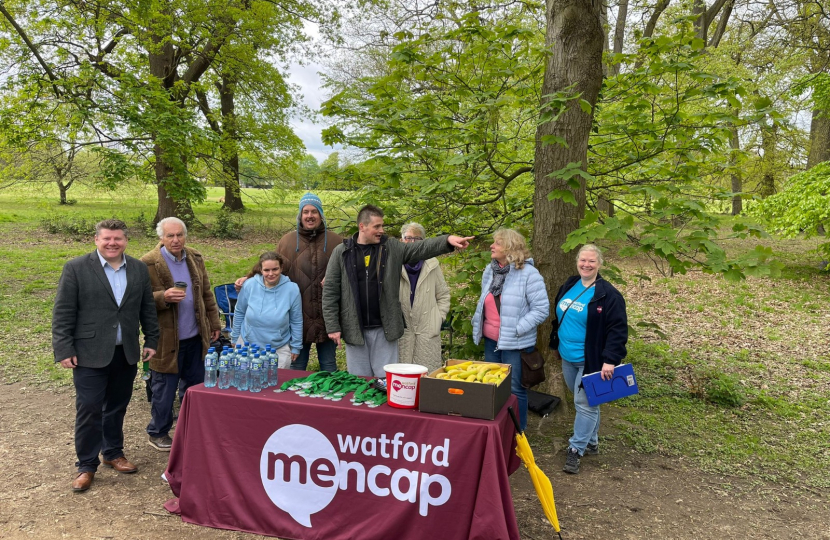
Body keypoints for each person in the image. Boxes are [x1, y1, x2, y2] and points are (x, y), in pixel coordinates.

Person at [52, 219, 159, 493]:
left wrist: (152, 339)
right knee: (88, 408)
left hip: (126, 353)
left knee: (116, 406)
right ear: (96, 240)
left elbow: (147, 307)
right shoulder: (76, 268)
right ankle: (86, 465)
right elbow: (63, 312)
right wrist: (64, 348)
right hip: (88, 353)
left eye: (118, 239)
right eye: (107, 239)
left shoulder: (137, 268)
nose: (112, 243)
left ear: (126, 240)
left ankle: (112, 452)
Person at [323, 204, 473, 377]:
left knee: (386, 381)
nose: (382, 230)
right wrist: (333, 326)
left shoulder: (391, 248)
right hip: (355, 330)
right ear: (362, 226)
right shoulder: (342, 252)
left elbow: (420, 248)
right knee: (359, 381)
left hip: (384, 330)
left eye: (382, 226)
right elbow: (330, 291)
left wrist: (446, 241)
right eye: (377, 226)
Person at [140, 217, 222, 452]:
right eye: (170, 236)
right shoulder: (148, 263)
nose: (176, 240)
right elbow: (139, 301)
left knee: (194, 387)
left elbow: (206, 292)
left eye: (180, 235)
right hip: (166, 340)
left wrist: (214, 322)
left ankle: (192, 427)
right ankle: (157, 432)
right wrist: (162, 297)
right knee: (163, 390)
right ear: (161, 238)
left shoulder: (195, 257)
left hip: (195, 336)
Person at [235, 193, 341, 372]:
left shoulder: (335, 241)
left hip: (327, 315)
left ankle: (327, 399)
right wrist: (251, 277)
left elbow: (348, 271)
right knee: (296, 366)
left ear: (321, 214)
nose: (309, 216)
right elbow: (272, 264)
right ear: (300, 215)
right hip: (298, 315)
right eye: (305, 211)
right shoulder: (288, 241)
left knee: (329, 366)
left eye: (314, 211)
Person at [549, 244, 628, 475]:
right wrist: (555, 345)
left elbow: (618, 330)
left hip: (591, 360)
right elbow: (558, 319)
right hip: (567, 357)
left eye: (591, 261)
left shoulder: (608, 294)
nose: (586, 264)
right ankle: (592, 441)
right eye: (583, 260)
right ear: (577, 261)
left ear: (599, 264)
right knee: (590, 400)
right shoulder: (569, 285)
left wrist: (610, 360)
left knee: (583, 404)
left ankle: (576, 449)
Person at [472, 229, 549, 432]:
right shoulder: (490, 271)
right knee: (492, 387)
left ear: (509, 248)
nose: (492, 246)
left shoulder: (529, 274)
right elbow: (485, 301)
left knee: (515, 390)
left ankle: (517, 433)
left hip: (516, 344)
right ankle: (496, 431)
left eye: (497, 243)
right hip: (491, 341)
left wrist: (516, 329)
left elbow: (541, 310)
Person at [232, 252, 302, 366]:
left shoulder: (292, 289)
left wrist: (296, 346)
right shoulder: (249, 285)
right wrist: (235, 338)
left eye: (275, 269)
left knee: (277, 381)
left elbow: (296, 320)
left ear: (281, 268)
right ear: (261, 270)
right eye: (266, 270)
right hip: (247, 344)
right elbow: (239, 311)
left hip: (278, 347)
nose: (271, 274)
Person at [398, 222, 451, 373]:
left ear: (424, 243)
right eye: (408, 238)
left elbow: (443, 295)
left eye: (417, 239)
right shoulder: (393, 264)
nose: (412, 242)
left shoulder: (432, 265)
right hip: (402, 335)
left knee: (426, 379)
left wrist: (438, 318)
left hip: (427, 332)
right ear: (402, 240)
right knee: (402, 380)